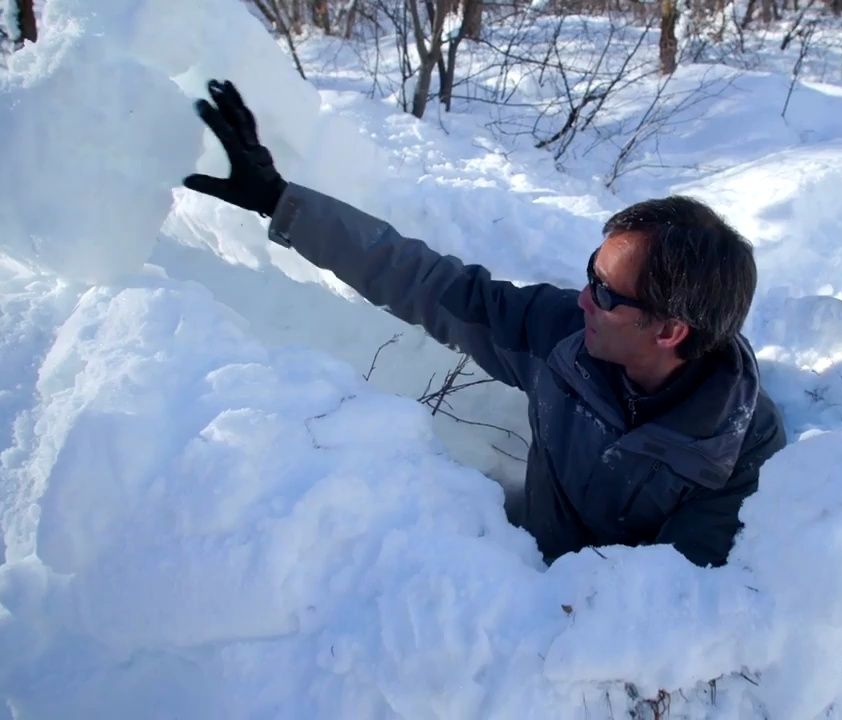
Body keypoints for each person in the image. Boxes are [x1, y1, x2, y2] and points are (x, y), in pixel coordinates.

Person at [183, 80, 786, 567]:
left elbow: (673, 604)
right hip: (511, 582)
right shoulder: (563, 340)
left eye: (604, 292)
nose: (582, 299)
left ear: (670, 331)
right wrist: (282, 202)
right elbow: (430, 283)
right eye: (589, 273)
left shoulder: (736, 450)